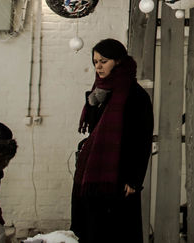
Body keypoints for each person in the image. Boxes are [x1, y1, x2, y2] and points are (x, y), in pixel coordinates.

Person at [71, 38, 153, 243]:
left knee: (116, 231)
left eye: (104, 61)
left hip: (118, 175)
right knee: (92, 229)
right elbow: (93, 131)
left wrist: (134, 179)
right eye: (95, 61)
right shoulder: (100, 93)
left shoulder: (135, 95)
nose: (98, 66)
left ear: (118, 62)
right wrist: (92, 102)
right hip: (93, 174)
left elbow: (142, 139)